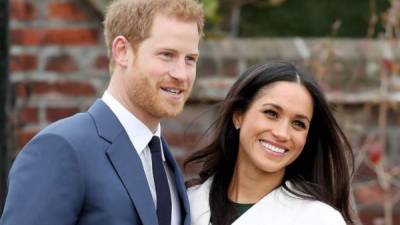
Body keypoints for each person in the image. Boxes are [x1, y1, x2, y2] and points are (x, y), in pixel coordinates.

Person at [1, 0, 203, 225]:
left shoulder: (165, 163)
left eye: (190, 59)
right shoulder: (61, 148)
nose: (182, 74)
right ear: (122, 51)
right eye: (166, 55)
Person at [185, 62, 354, 225]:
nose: (282, 133)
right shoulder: (187, 203)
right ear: (238, 115)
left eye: (298, 124)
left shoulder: (319, 219)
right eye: (271, 113)